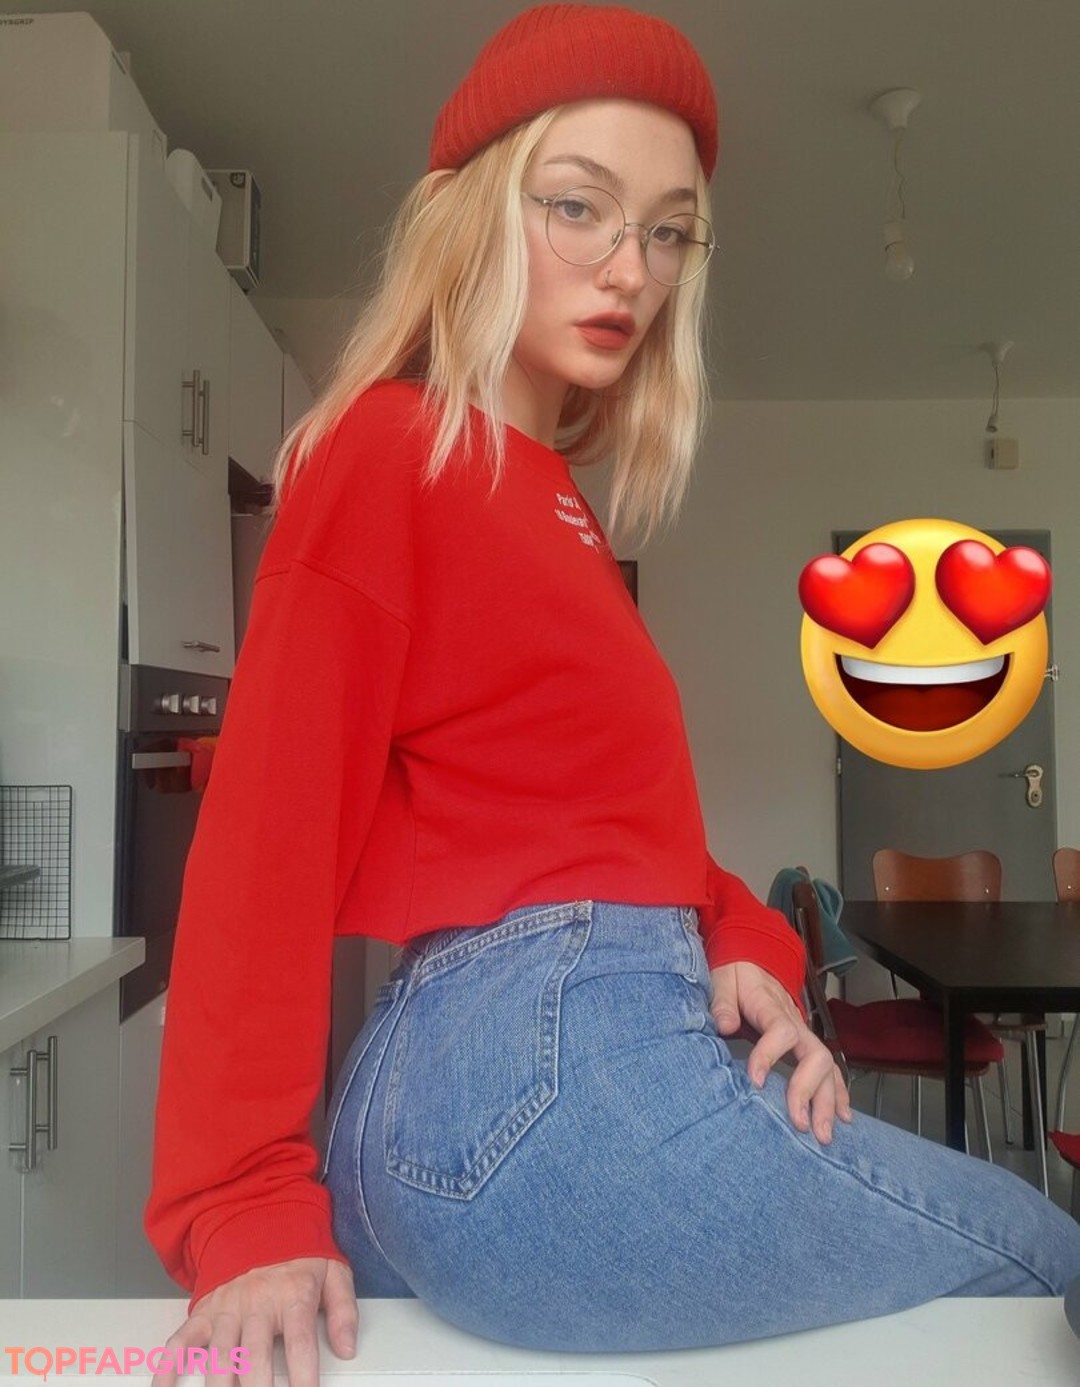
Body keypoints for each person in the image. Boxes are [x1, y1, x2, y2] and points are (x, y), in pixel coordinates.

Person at [146, 5, 1080, 1383]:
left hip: (520, 1079)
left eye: (669, 232)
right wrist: (236, 1193)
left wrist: (747, 939)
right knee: (1048, 1258)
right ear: (472, 213)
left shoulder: (552, 504)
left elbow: (610, 829)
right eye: (578, 206)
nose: (630, 268)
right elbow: (268, 826)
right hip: (538, 1067)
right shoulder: (397, 447)